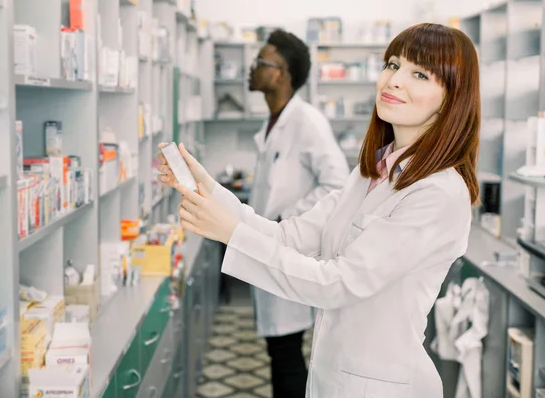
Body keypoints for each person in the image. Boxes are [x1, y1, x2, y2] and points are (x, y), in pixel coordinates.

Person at [158, 22, 480, 397]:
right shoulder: (371, 173)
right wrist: (210, 190)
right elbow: (288, 236)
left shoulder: (438, 193)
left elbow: (339, 283)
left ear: (451, 98)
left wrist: (232, 234)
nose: (393, 81)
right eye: (392, 65)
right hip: (332, 374)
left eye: (419, 74)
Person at [240, 28, 349, 397]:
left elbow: (337, 184)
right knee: (280, 352)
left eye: (261, 62)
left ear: (281, 73)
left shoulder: (307, 122)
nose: (252, 68)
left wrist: (284, 219)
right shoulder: (275, 121)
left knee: (286, 354)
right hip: (274, 252)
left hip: (289, 252)